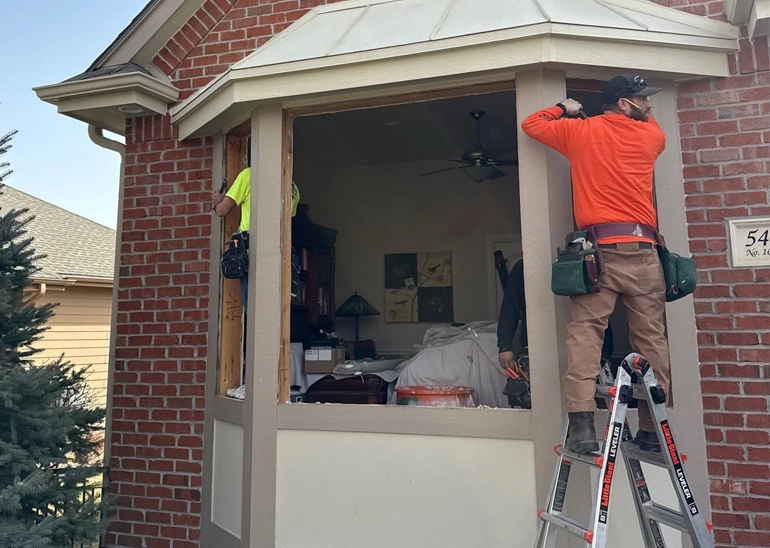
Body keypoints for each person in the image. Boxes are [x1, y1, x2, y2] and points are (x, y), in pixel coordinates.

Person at [521, 74, 669, 454]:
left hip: (598, 254)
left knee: (586, 335)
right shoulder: (652, 136)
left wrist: (564, 108)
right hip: (643, 251)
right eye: (642, 99)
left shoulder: (580, 131)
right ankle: (652, 430)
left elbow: (532, 124)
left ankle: (583, 426)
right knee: (651, 338)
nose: (649, 105)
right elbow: (648, 123)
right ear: (624, 103)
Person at [212, 166, 251, 307]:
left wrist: (218, 201)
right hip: (282, 254)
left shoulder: (248, 175)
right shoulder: (292, 188)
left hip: (250, 252)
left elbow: (222, 210)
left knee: (251, 306)